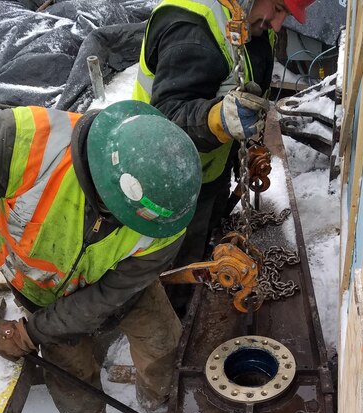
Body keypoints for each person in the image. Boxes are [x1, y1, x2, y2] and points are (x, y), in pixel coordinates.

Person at [0, 101, 201, 413]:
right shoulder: (29, 141)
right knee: (69, 366)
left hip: (120, 288)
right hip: (40, 289)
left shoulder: (166, 222)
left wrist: (31, 333)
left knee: (163, 341)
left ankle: (162, 400)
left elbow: (104, 297)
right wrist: (38, 328)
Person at [133, 0, 315, 270]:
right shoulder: (192, 28)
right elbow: (164, 122)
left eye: (284, 15)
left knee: (206, 240)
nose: (277, 24)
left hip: (211, 169)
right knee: (176, 268)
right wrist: (218, 119)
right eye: (278, 9)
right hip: (167, 181)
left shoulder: (251, 19)